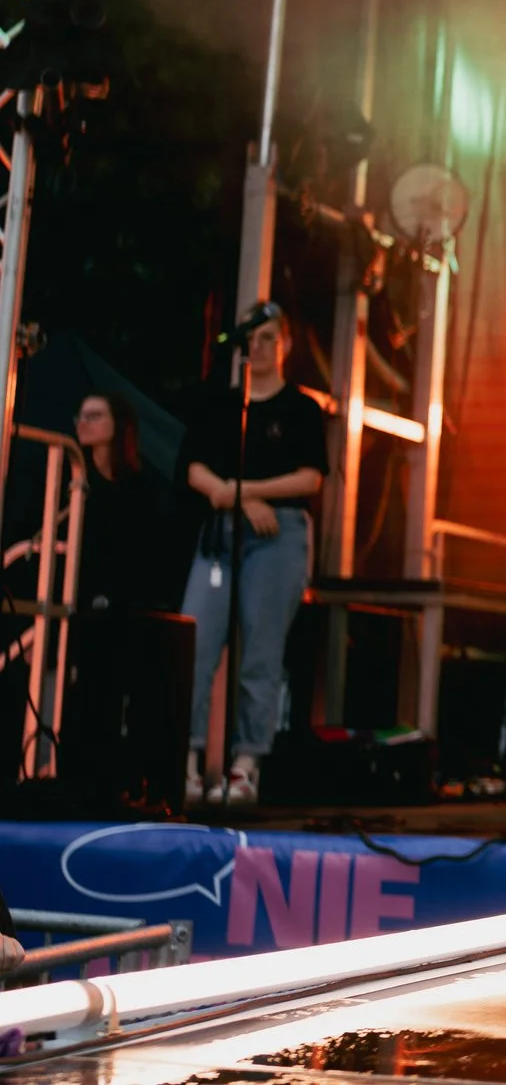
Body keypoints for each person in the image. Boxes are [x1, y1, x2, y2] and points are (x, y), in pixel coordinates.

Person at [176, 305, 328, 808]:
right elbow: (193, 467)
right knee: (197, 641)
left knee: (260, 652)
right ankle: (188, 758)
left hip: (276, 532)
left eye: (267, 338)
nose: (258, 348)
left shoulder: (301, 408)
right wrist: (239, 497)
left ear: (283, 343)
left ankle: (247, 763)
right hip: (222, 532)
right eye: (252, 340)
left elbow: (311, 478)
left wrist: (243, 490)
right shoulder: (222, 407)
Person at [72, 391, 181, 615]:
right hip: (76, 591)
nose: (84, 423)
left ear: (119, 423)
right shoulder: (71, 474)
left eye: (94, 416)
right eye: (81, 417)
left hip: (125, 601)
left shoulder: (142, 486)